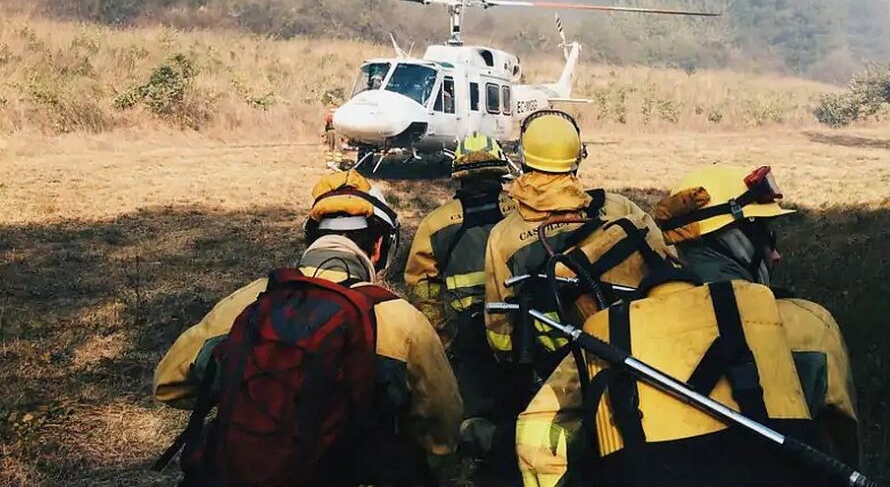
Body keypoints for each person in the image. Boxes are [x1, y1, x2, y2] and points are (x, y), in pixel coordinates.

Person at [516, 164, 860, 486]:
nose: (775, 255)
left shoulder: (616, 333)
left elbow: (536, 436)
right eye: (766, 237)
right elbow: (839, 445)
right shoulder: (807, 323)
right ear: (731, 238)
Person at [153, 169, 462, 487]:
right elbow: (442, 423)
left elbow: (168, 384)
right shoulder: (401, 319)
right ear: (379, 246)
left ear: (311, 239)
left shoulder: (250, 300)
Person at [483, 110, 674, 382]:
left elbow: (499, 326)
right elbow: (668, 267)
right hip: (640, 352)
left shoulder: (503, 236)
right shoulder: (621, 208)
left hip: (560, 371)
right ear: (576, 160)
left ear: (523, 160)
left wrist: (512, 367)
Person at [404, 133, 518, 475]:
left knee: (473, 401)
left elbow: (421, 286)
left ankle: (477, 446)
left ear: (458, 175)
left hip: (465, 335)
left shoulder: (435, 224)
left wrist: (442, 336)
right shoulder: (521, 211)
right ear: (501, 174)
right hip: (519, 324)